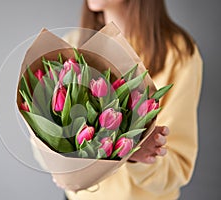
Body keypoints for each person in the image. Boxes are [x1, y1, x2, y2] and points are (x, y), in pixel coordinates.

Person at [61, 0, 203, 199]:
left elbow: (177, 169)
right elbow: (48, 146)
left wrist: (135, 157)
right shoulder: (72, 45)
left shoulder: (178, 55)